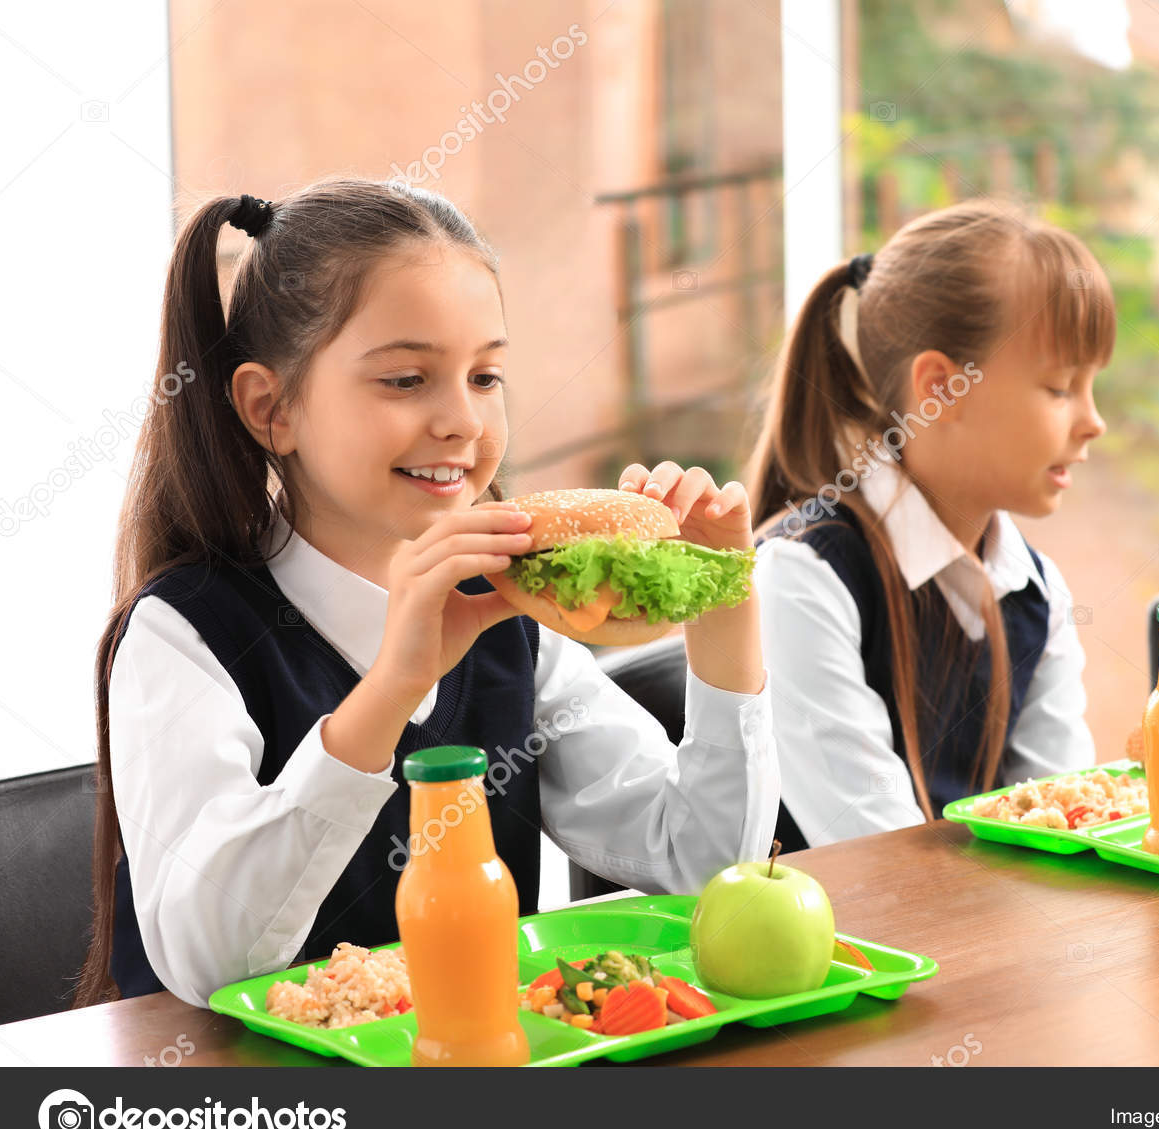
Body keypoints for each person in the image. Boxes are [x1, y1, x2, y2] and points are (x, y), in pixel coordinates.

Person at [76, 180, 776, 1009]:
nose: (463, 422)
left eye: (486, 377)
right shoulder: (183, 634)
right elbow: (206, 964)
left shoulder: (508, 615)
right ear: (271, 407)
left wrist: (724, 603)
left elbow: (700, 863)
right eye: (407, 379)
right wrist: (391, 690)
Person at [745, 201, 1113, 847]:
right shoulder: (801, 577)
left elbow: (1072, 823)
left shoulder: (1035, 588)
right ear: (941, 387)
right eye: (1059, 388)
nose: (1093, 420)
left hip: (985, 935)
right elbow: (880, 860)